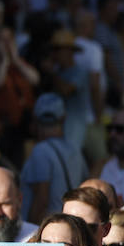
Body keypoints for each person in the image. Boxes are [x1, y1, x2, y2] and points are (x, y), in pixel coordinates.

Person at [21, 94, 87, 224]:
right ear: (63, 119)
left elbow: (41, 199)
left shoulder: (40, 150)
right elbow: (84, 184)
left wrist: (30, 232)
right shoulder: (74, 148)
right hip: (69, 225)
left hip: (48, 227)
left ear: (35, 120)